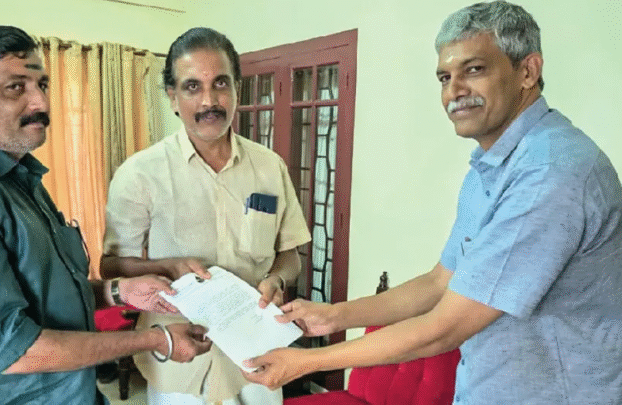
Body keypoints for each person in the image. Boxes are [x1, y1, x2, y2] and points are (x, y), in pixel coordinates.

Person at [242, 2, 622, 404]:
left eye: (474, 70)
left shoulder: (550, 171)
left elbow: (445, 328)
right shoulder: (490, 166)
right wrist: (333, 316)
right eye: (445, 77)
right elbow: (439, 282)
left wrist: (305, 363)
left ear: (527, 71)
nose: (454, 91)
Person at [0, 24, 212, 405]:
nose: (40, 104)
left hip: (72, 393)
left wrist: (119, 291)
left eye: (42, 85)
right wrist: (156, 340)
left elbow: (49, 296)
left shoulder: (22, 179)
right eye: (16, 88)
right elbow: (15, 350)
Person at [101, 27, 311, 405]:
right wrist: (168, 266)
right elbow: (111, 265)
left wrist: (277, 279)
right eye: (192, 87)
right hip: (180, 354)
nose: (209, 101)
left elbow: (290, 253)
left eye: (220, 84)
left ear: (237, 89)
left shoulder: (269, 167)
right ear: (172, 97)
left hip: (256, 350)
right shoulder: (139, 174)